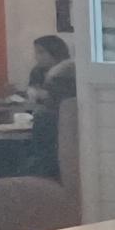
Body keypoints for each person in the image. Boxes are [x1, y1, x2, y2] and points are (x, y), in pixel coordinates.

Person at [26, 37, 76, 180]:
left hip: (58, 120)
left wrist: (43, 95)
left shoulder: (68, 71)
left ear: (55, 51)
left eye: (41, 52)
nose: (37, 57)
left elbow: (57, 98)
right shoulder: (37, 71)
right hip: (40, 116)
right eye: (36, 53)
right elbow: (33, 93)